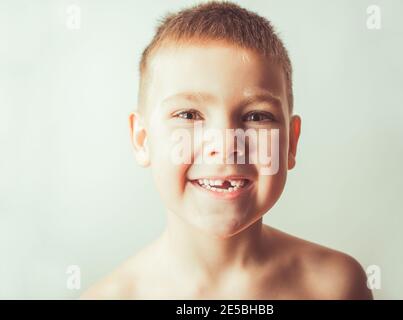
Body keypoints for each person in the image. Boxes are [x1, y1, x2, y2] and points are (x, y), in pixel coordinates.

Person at [81, 1, 373, 300]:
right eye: (189, 115)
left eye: (257, 116)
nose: (225, 146)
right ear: (142, 139)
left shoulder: (336, 286)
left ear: (291, 143)